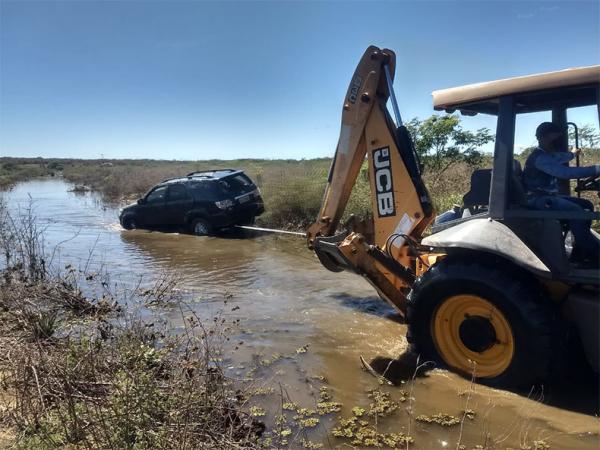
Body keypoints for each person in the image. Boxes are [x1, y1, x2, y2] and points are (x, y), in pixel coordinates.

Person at [522, 122, 600, 266]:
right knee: (576, 211)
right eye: (554, 139)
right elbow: (565, 173)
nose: (556, 143)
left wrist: (573, 153)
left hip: (548, 197)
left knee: (586, 204)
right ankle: (590, 251)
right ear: (543, 138)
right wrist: (596, 169)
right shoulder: (540, 158)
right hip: (537, 199)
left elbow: (563, 157)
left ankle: (580, 246)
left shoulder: (547, 155)